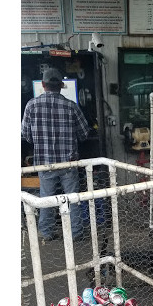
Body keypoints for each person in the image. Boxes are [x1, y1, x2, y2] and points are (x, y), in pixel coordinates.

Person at [21, 67, 90, 243]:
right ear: (61, 85)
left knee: (47, 199)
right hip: (68, 163)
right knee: (72, 199)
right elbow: (84, 134)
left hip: (45, 163)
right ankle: (76, 234)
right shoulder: (71, 106)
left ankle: (46, 233)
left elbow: (25, 135)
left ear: (43, 85)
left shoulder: (31, 105)